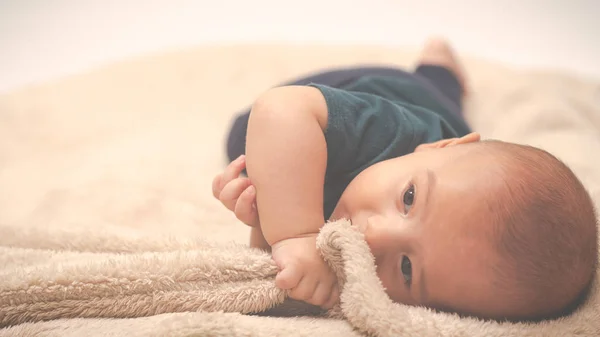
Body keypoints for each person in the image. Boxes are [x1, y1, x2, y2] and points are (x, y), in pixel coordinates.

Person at [211, 38, 598, 321]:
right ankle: (438, 59)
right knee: (436, 87)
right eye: (409, 199)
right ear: (440, 148)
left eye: (408, 269)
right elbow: (278, 110)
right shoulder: (391, 131)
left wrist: (265, 219)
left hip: (448, 141)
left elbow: (280, 267)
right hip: (391, 91)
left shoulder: (363, 266)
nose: (374, 235)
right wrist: (294, 234)